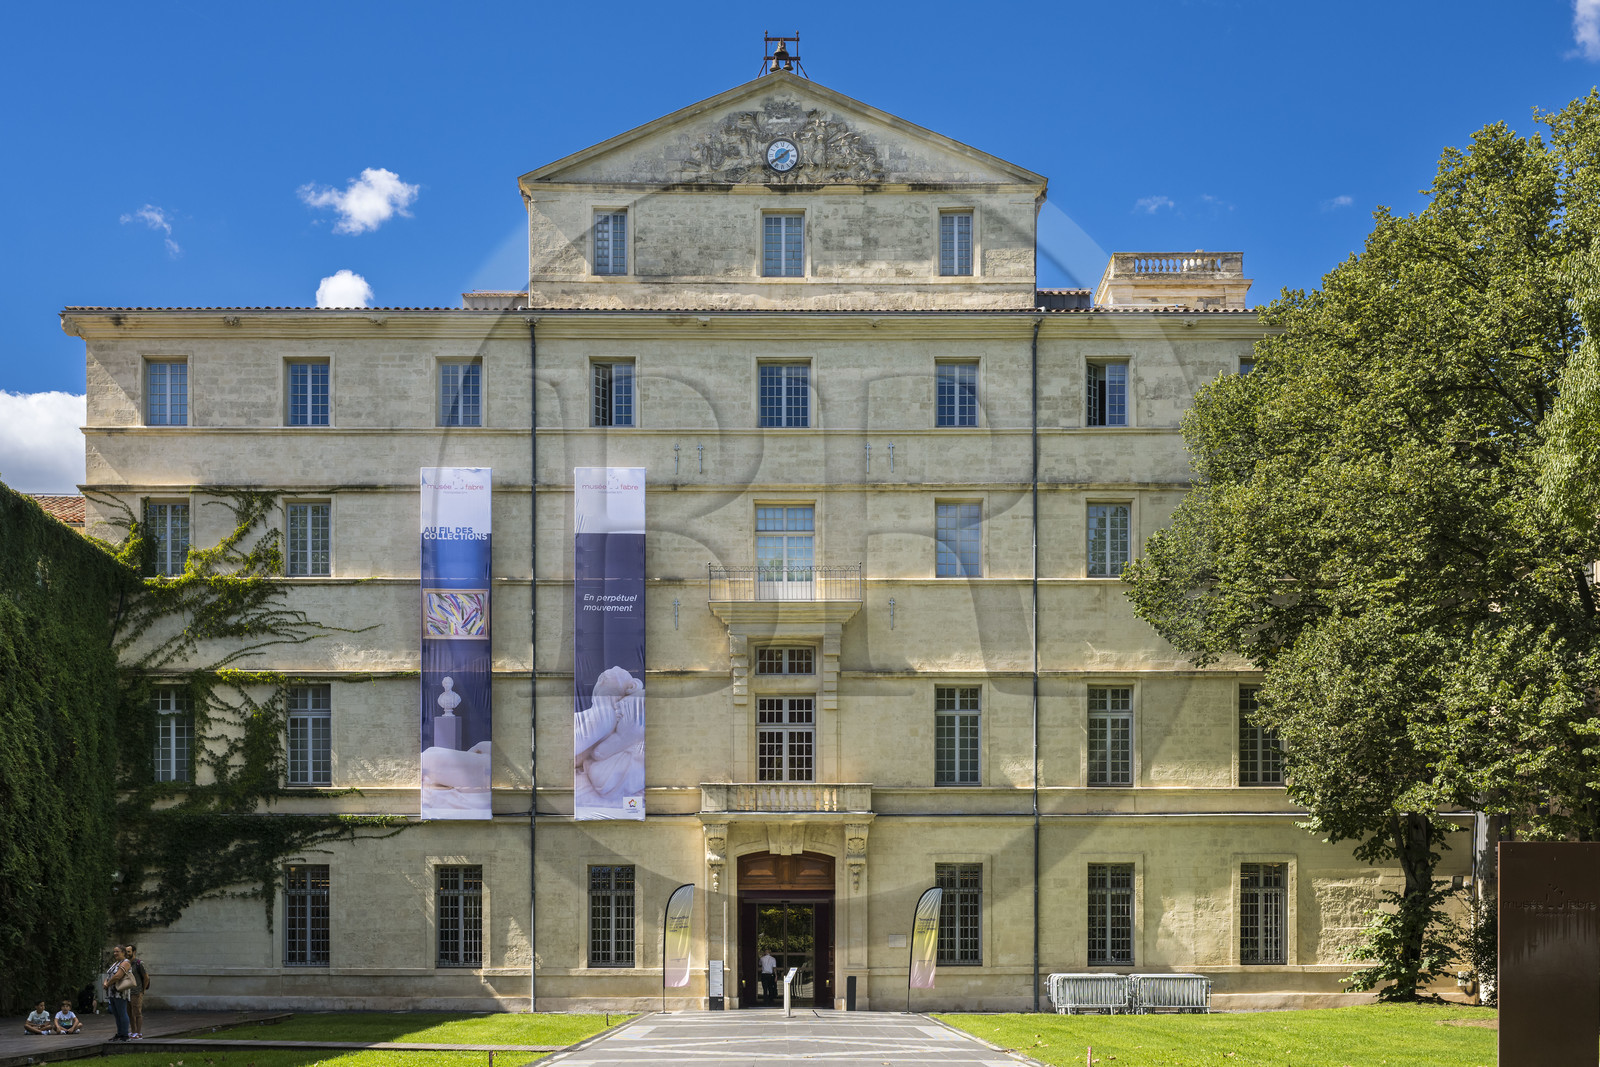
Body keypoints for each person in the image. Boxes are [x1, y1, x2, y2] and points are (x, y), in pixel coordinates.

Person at [102, 946, 132, 1040]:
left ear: (123, 952)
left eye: (117, 951)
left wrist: (108, 984)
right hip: (112, 992)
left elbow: (118, 976)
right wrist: (105, 982)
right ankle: (119, 1034)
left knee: (122, 1013)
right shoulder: (116, 963)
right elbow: (109, 975)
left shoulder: (126, 963)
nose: (115, 953)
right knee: (116, 1014)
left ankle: (125, 1035)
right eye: (114, 951)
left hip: (120, 992)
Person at [125, 944, 147, 1039]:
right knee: (130, 1013)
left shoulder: (139, 964)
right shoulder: (125, 963)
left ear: (133, 952)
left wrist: (142, 990)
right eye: (126, 952)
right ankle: (133, 1031)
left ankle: (138, 1033)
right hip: (127, 992)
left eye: (129, 951)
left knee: (137, 1012)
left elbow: (146, 977)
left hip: (136, 992)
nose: (127, 953)